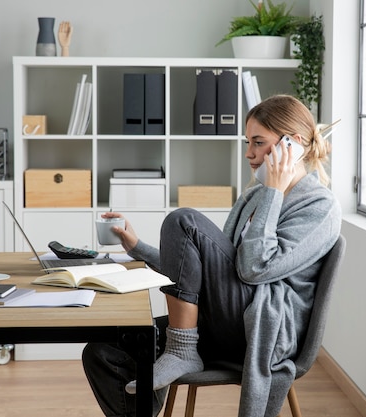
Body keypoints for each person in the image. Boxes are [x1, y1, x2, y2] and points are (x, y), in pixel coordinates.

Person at [82, 94, 342, 417]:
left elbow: (254, 268)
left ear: (293, 144)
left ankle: (181, 349)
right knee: (103, 352)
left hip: (259, 331)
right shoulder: (254, 197)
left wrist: (275, 192)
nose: (249, 153)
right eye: (248, 142)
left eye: (258, 142)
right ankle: (169, 370)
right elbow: (198, 274)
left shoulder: (320, 207)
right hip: (220, 319)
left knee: (183, 221)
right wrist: (136, 247)